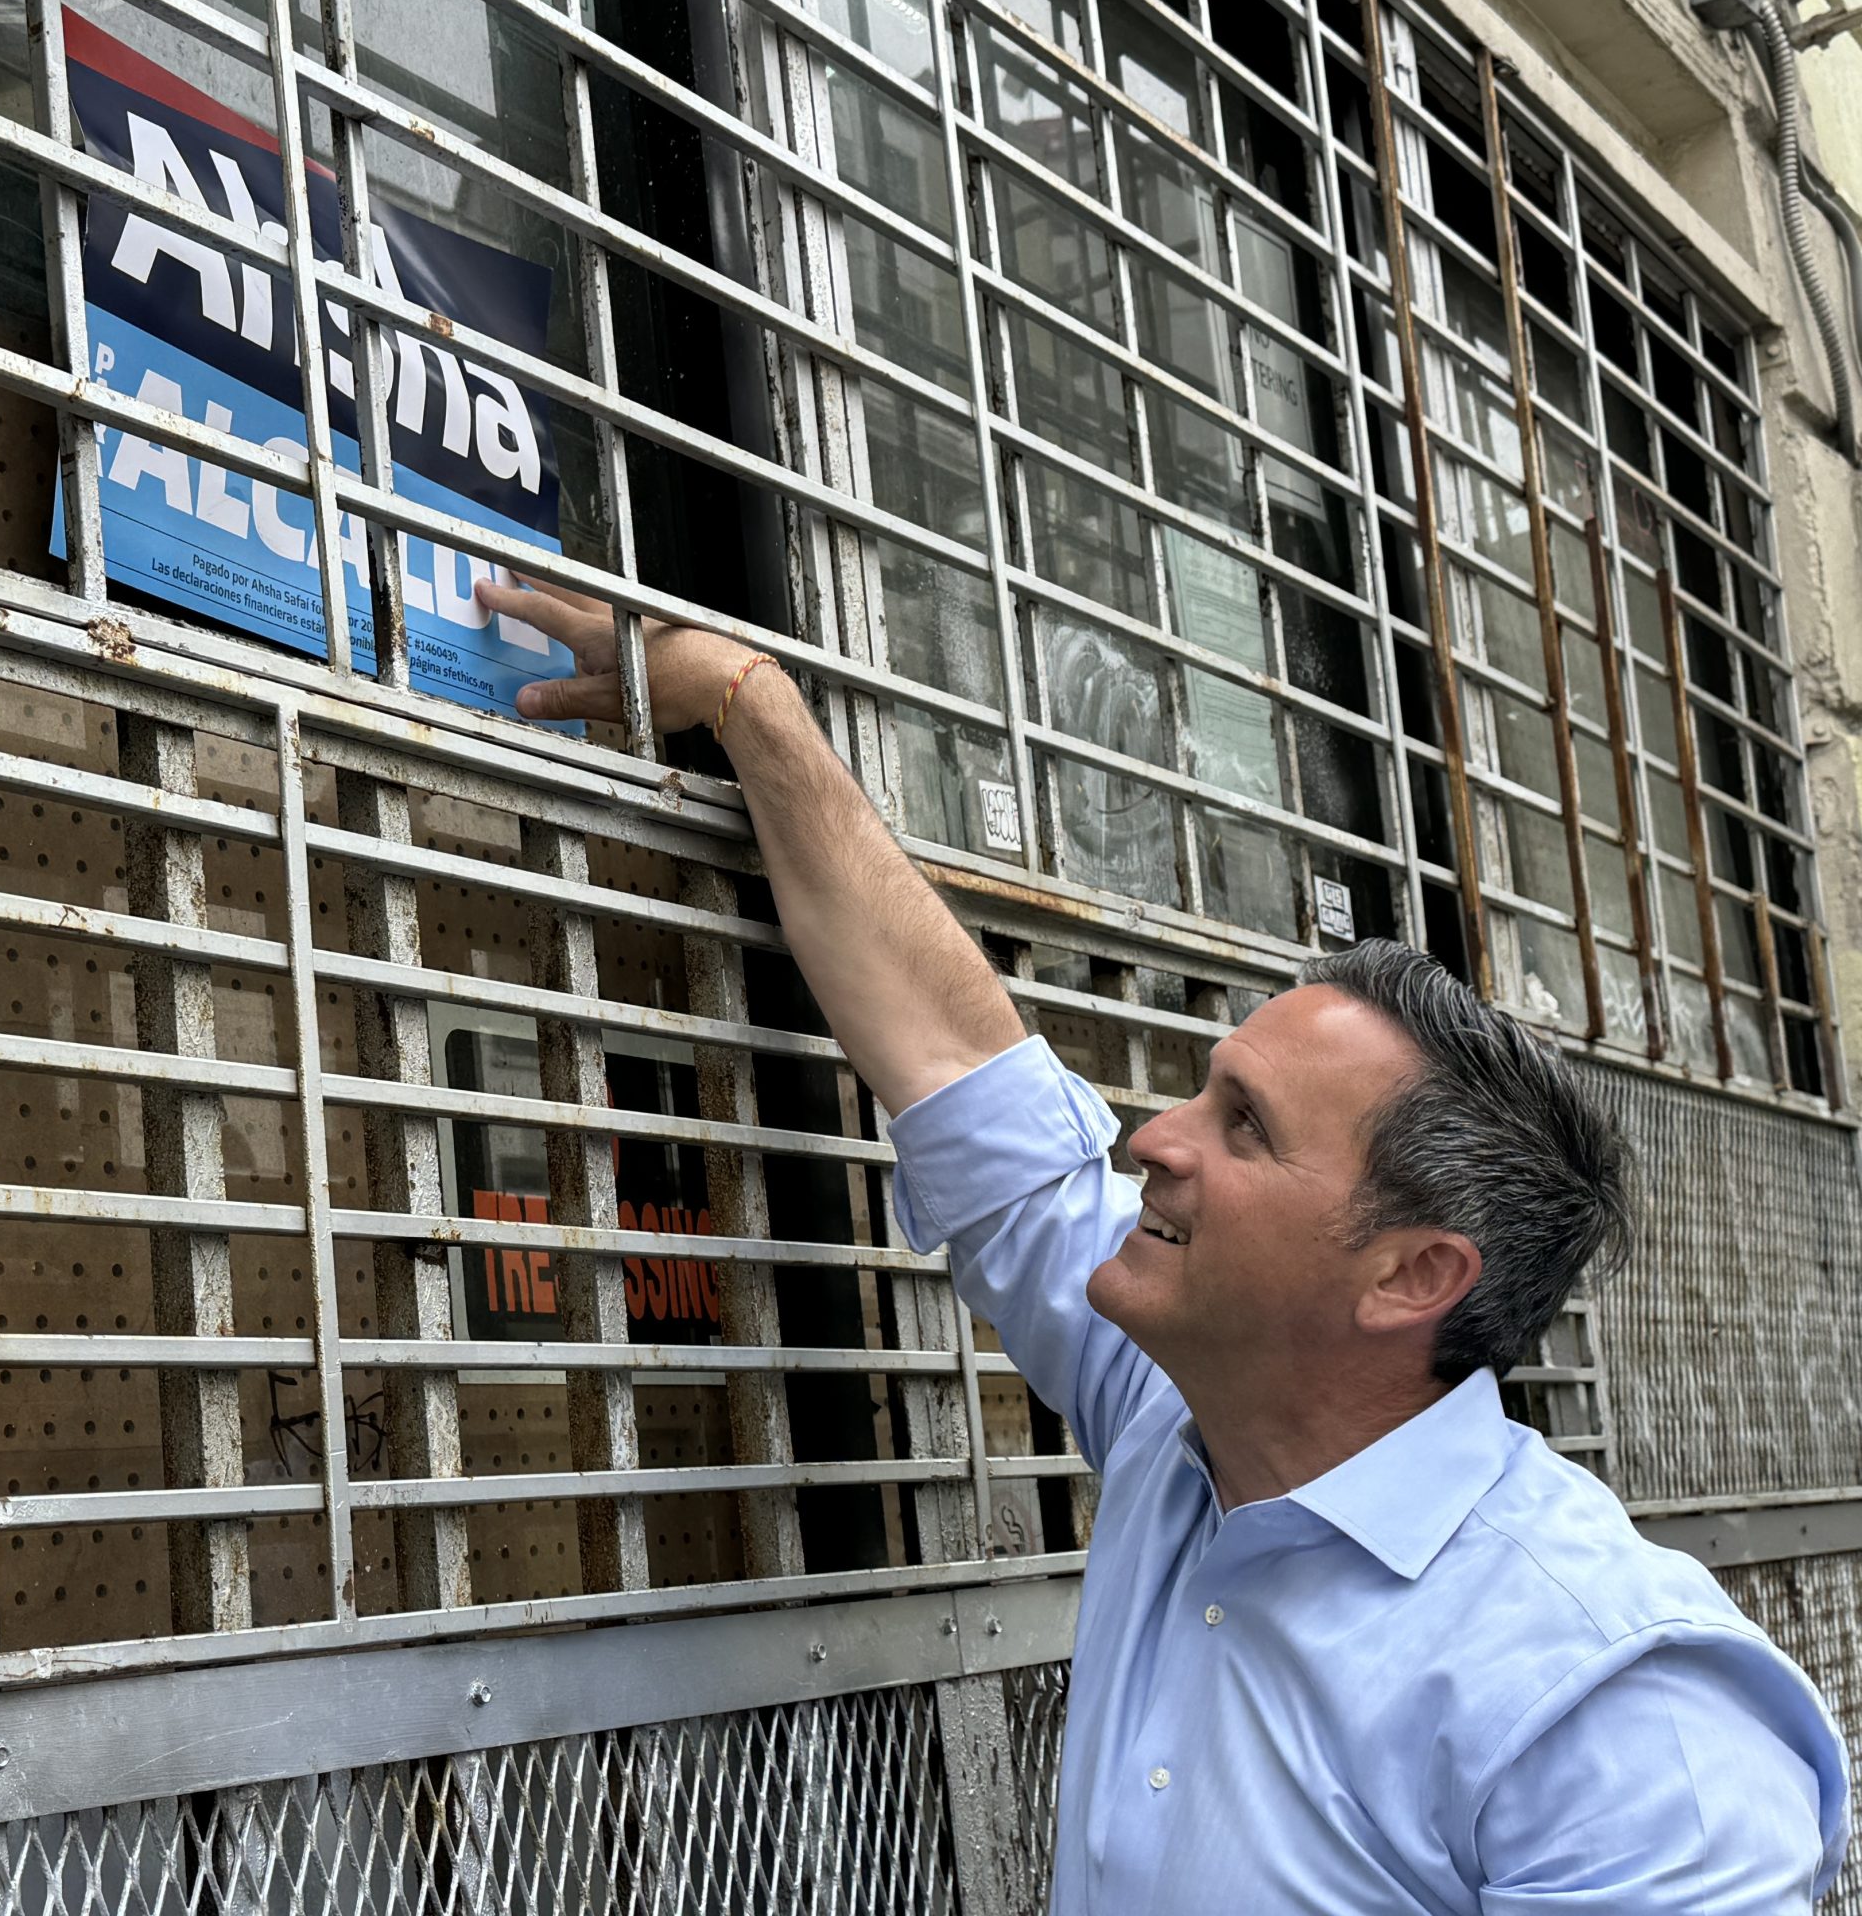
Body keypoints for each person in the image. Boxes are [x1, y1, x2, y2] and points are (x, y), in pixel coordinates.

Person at [478, 575, 1853, 1913]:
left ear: (1411, 1275)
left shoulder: (1616, 1714)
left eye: (1242, 1126)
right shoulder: (1186, 1415)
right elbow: (964, 1060)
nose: (1150, 1136)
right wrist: (747, 705)